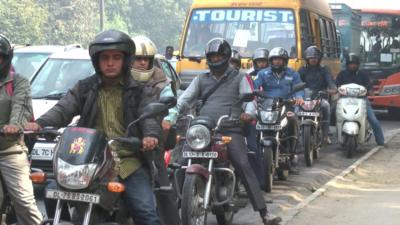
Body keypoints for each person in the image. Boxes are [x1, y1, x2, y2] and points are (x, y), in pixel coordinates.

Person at [25, 29, 162, 225]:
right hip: (89, 162)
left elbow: (150, 117)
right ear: (97, 61)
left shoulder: (140, 91)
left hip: (128, 161)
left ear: (126, 60)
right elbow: (63, 109)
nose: (110, 62)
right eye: (105, 58)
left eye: (116, 57)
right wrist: (39, 123)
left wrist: (150, 136)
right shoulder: (85, 87)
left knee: (146, 214)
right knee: (51, 192)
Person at [177, 38, 281, 225]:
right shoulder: (201, 78)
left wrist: (248, 113)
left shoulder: (240, 77)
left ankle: (264, 213)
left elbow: (250, 100)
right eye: (212, 56)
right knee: (181, 163)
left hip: (230, 129)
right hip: (202, 129)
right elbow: (185, 99)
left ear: (225, 57)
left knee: (242, 163)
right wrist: (173, 112)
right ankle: (179, 204)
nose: (215, 59)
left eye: (218, 55)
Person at [131, 35, 181, 225]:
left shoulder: (161, 81)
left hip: (151, 141)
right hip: (121, 141)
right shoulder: (121, 78)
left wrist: (168, 119)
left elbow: (172, 104)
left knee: (161, 187)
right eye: (138, 58)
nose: (143, 62)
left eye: (146, 59)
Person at [0, 34, 42, 225]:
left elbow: (21, 108)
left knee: (24, 202)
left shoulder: (18, 81)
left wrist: (14, 126)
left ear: (6, 58)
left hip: (10, 150)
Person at [253, 47, 304, 173]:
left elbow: (299, 89)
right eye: (275, 59)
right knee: (253, 122)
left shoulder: (293, 74)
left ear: (284, 61)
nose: (277, 62)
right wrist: (254, 94)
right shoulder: (263, 74)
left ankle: (292, 154)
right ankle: (253, 155)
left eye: (280, 59)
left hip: (286, 105)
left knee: (292, 120)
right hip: (267, 106)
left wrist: (298, 98)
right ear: (271, 60)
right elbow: (253, 87)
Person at [336, 53, 385, 146]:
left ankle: (381, 141)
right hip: (344, 100)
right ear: (347, 64)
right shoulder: (342, 74)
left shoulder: (363, 74)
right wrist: (335, 90)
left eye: (354, 63)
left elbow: (369, 86)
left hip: (362, 100)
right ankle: (330, 136)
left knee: (373, 120)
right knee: (333, 115)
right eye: (350, 63)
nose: (352, 65)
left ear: (358, 64)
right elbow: (336, 85)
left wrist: (371, 91)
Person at [298, 46, 337, 144]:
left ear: (319, 59)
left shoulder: (324, 69)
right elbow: (297, 83)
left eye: (315, 58)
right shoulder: (302, 70)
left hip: (319, 97)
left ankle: (325, 134)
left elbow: (329, 81)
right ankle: (295, 134)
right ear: (307, 59)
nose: (313, 60)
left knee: (326, 106)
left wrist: (333, 88)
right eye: (311, 58)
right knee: (295, 110)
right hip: (305, 98)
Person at [245, 47, 270, 190]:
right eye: (258, 62)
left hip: (261, 111)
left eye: (263, 61)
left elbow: (249, 99)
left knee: (252, 148)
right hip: (233, 117)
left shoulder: (270, 76)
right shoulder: (247, 76)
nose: (261, 64)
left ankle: (260, 181)